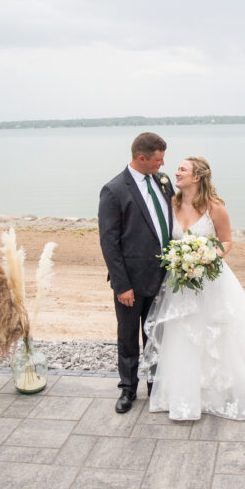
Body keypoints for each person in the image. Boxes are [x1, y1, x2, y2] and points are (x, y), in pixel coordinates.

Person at [140, 156, 245, 420]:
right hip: (180, 282)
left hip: (210, 280)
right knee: (182, 334)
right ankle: (185, 392)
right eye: (178, 169)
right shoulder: (171, 203)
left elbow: (226, 241)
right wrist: (181, 259)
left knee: (215, 334)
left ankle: (220, 390)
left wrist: (207, 256)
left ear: (197, 177)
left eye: (183, 169)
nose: (176, 172)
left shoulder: (215, 207)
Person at [98, 132, 175, 413]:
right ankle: (128, 388)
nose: (162, 164)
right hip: (131, 281)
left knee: (156, 334)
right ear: (141, 158)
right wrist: (122, 285)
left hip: (163, 278)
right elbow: (109, 242)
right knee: (128, 336)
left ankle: (156, 385)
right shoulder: (114, 190)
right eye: (158, 159)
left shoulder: (163, 182)